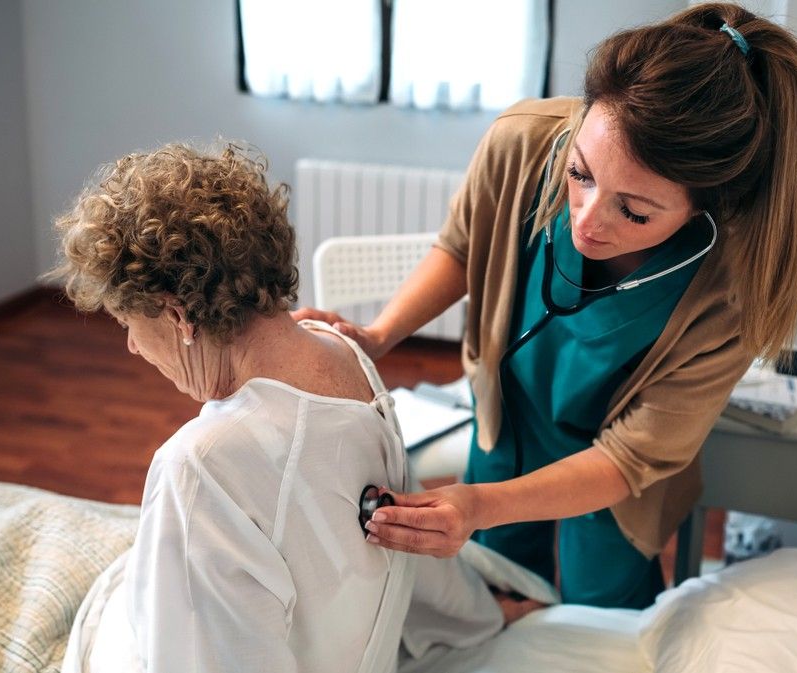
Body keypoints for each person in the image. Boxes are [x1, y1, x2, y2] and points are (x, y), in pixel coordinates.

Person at [292, 3, 797, 610]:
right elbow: (465, 246)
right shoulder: (522, 142)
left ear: (706, 206)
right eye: (580, 174)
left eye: (635, 211)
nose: (588, 220)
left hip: (618, 475)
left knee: (605, 607)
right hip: (511, 414)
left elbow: (628, 458)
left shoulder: (736, 289)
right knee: (496, 583)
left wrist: (481, 502)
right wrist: (380, 334)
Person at [50, 143, 509, 673]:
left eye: (128, 323)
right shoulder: (346, 352)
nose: (131, 345)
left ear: (177, 317)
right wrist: (481, 615)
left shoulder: (201, 467)